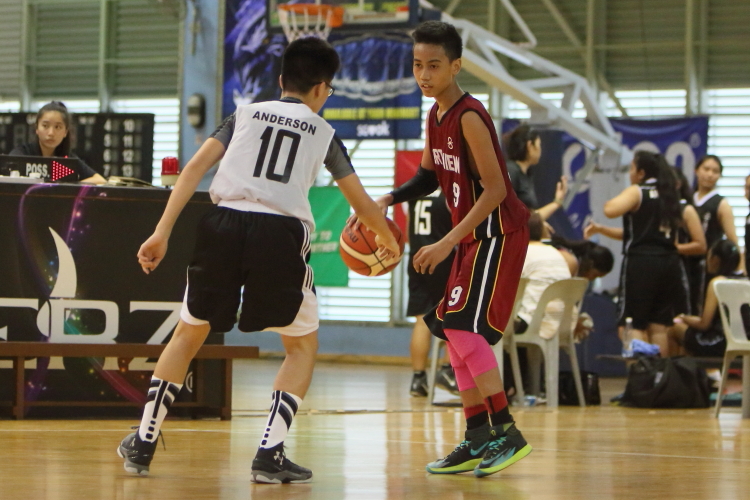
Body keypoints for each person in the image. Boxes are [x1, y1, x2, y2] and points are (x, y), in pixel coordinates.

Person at [116, 37, 401, 484]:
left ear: (282, 80)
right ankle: (269, 454)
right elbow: (362, 205)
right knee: (302, 345)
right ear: (324, 89)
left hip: (224, 223)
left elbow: (192, 170)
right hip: (280, 233)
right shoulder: (324, 133)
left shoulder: (244, 114)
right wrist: (389, 242)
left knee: (188, 335)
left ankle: (144, 441)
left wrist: (162, 231)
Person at [372, 21, 532, 478]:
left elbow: (497, 190)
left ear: (456, 66)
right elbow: (427, 178)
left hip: (499, 235)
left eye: (434, 66)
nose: (424, 74)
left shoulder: (469, 116)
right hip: (471, 238)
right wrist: (388, 198)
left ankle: (506, 431)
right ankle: (478, 434)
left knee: (463, 330)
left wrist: (444, 242)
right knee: (450, 330)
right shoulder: (434, 115)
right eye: (418, 65)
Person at [584, 151, 692, 356]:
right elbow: (640, 232)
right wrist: (602, 229)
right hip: (669, 263)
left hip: (643, 264)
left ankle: (640, 382)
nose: (630, 173)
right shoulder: (670, 194)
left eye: (632, 168)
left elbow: (610, 209)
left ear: (641, 173)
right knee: (659, 327)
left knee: (631, 326)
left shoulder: (639, 191)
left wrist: (626, 194)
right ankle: (659, 382)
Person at [406, 190, 458, 397]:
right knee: (453, 315)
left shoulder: (415, 194)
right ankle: (446, 371)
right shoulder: (449, 194)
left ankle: (418, 379)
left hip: (417, 257)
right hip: (443, 260)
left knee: (421, 319)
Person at [671, 239, 744, 357]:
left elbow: (704, 324)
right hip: (744, 341)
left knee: (674, 329)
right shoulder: (746, 282)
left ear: (715, 260)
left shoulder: (717, 283)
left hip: (720, 342)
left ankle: (680, 372)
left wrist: (683, 318)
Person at [9, 101, 106, 184]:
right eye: (45, 126)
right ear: (37, 128)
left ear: (65, 132)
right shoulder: (23, 153)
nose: (51, 133)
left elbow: (100, 180)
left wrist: (70, 186)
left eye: (57, 127)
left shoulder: (67, 159)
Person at [688, 155, 740, 312]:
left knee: (702, 306)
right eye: (706, 169)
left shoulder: (721, 203)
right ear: (696, 170)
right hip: (685, 262)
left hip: (709, 265)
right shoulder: (688, 199)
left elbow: (733, 240)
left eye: (715, 171)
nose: (710, 174)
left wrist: (738, 269)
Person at [503, 124, 567, 220]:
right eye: (539, 145)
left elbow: (529, 217)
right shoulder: (511, 171)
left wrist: (539, 225)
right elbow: (509, 215)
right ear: (530, 146)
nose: (540, 150)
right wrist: (557, 203)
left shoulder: (526, 175)